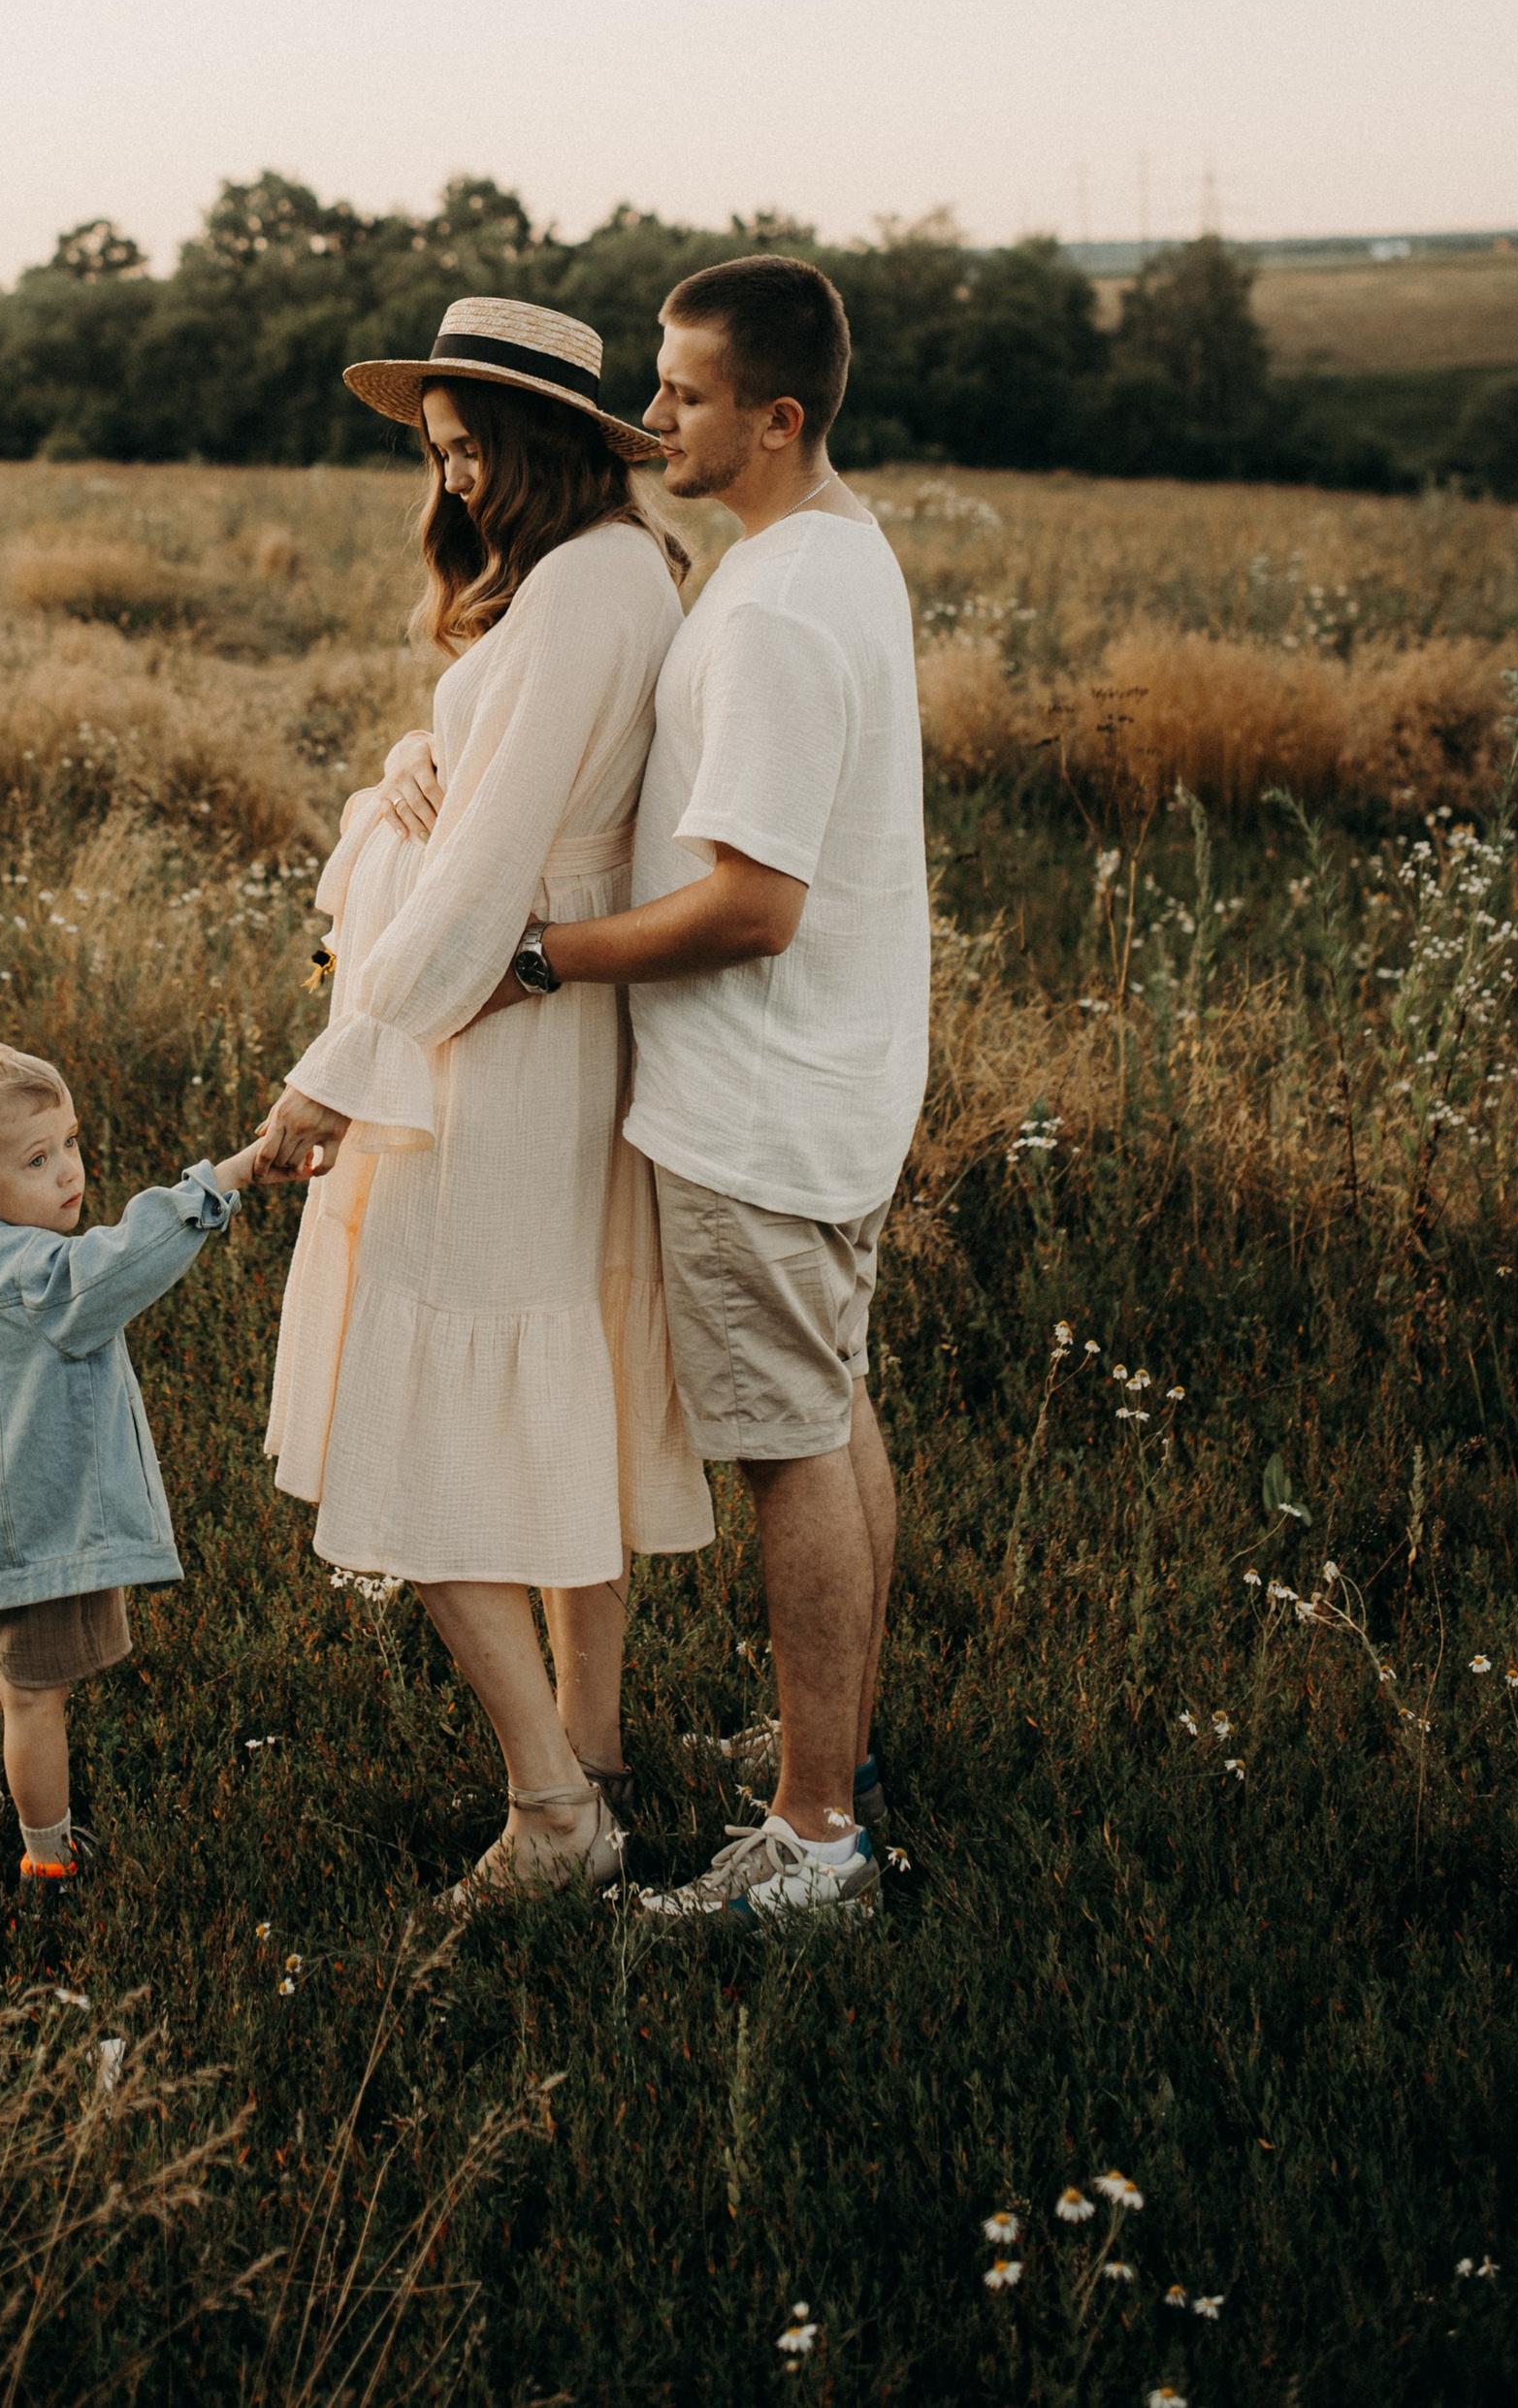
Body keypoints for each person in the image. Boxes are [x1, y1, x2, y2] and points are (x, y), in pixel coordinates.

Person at [457, 254, 928, 1927]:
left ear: (777, 417)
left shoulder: (786, 607)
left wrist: (543, 958)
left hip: (760, 1099)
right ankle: (839, 1763)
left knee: (792, 1449)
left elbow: (753, 905)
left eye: (686, 392)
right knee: (833, 1412)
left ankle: (812, 1849)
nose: (652, 413)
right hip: (830, 1084)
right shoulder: (822, 554)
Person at [257, 295, 714, 1911]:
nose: (448, 489)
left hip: (494, 1040)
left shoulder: (591, 589)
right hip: (550, 1026)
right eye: (437, 459)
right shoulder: (611, 575)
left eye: (467, 455)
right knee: (555, 1395)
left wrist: (337, 1073)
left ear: (541, 449)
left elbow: (484, 881)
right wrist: (405, 764)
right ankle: (588, 1745)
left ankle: (554, 1811)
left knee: (434, 1421)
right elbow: (514, 782)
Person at [0, 1039, 261, 1890]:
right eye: (38, 1158)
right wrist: (219, 1180)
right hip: (38, 1541)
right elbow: (123, 1261)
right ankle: (49, 1855)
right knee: (33, 1699)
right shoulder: (41, 1273)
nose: (69, 1174)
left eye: (72, 1144)